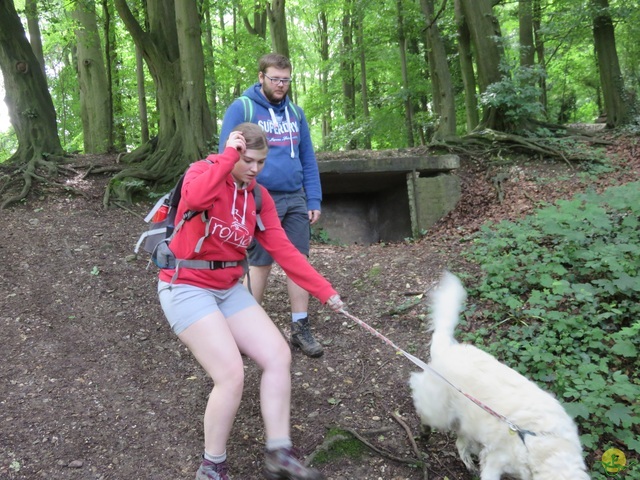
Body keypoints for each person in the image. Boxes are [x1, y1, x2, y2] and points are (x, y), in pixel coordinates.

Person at [157, 122, 343, 480]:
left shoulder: (258, 197)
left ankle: (279, 454)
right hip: (185, 285)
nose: (255, 169)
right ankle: (212, 467)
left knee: (278, 356)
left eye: (261, 162)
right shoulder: (203, 172)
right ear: (235, 151)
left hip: (228, 288)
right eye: (249, 160)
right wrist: (228, 156)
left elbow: (284, 251)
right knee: (230, 374)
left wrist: (324, 291)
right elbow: (193, 200)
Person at [218, 53, 325, 358]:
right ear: (261, 76)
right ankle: (243, 329)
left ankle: (300, 327)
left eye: (286, 79)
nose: (281, 85)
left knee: (298, 261)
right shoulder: (243, 107)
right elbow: (226, 155)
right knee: (260, 262)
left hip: (295, 197)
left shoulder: (295, 113)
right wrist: (235, 197)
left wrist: (313, 197)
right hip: (260, 196)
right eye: (275, 79)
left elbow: (307, 157)